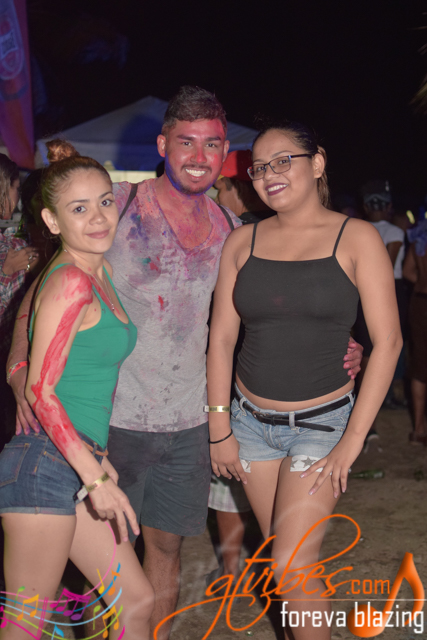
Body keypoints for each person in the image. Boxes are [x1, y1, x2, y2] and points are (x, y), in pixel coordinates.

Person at [7, 87, 363, 640]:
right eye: (186, 142)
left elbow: (266, 309)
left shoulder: (231, 228)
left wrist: (341, 343)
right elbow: (44, 291)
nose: (199, 156)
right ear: (162, 145)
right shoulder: (114, 206)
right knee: (100, 574)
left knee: (165, 552)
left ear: (225, 154)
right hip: (112, 421)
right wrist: (19, 370)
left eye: (213, 144)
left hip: (189, 421)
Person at [206, 121, 402, 639]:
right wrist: (219, 427)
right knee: (284, 564)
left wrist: (352, 442)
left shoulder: (356, 237)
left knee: (292, 567)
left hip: (321, 426)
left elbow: (389, 342)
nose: (268, 175)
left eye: (282, 161)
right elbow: (221, 339)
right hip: (249, 424)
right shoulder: (241, 240)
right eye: (258, 167)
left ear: (316, 163)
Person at [0, 150, 154, 639]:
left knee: (136, 601)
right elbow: (42, 391)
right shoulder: (71, 279)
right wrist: (96, 476)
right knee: (27, 625)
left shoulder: (96, 272)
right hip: (43, 464)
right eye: (79, 208)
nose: (98, 217)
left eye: (105, 202)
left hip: (73, 457)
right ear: (52, 220)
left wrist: (95, 459)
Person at [0, 154, 39, 448]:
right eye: (15, 188)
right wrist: (6, 272)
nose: (18, 198)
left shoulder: (11, 242)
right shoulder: (10, 247)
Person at [403, 218, 427, 444]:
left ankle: (418, 429)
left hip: (420, 303)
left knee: (420, 365)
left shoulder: (420, 236)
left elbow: (407, 271)